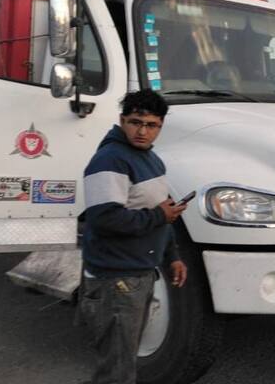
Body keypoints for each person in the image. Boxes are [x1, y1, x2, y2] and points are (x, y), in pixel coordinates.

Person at [80, 90, 187, 384]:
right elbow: (103, 219)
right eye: (135, 122)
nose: (142, 131)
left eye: (151, 125)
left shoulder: (151, 160)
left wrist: (173, 257)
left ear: (160, 126)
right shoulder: (110, 160)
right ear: (121, 120)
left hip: (138, 274)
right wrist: (159, 216)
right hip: (116, 280)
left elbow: (161, 214)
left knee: (123, 364)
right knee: (116, 371)